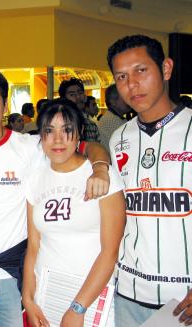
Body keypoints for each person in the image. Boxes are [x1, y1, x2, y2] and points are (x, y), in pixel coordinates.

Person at [0, 67, 112, 327]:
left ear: (4, 105)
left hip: (17, 274)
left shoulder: (29, 147)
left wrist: (101, 167)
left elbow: (87, 146)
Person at [107, 34, 192, 326]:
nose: (132, 85)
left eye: (141, 71)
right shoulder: (118, 138)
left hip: (183, 301)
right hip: (128, 294)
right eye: (121, 76)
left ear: (166, 69)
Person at [22, 98, 126, 327]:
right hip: (47, 294)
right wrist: (28, 299)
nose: (57, 139)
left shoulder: (101, 176)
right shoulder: (35, 178)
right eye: (49, 130)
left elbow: (110, 252)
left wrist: (78, 307)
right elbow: (33, 247)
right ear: (40, 135)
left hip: (92, 298)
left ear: (79, 134)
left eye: (67, 130)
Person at [59, 78, 101, 143]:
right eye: (72, 95)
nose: (78, 97)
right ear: (63, 99)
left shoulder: (91, 125)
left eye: (80, 93)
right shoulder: (58, 124)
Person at [97, 84, 132, 151]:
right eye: (124, 97)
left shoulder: (115, 118)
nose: (128, 100)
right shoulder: (110, 121)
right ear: (113, 102)